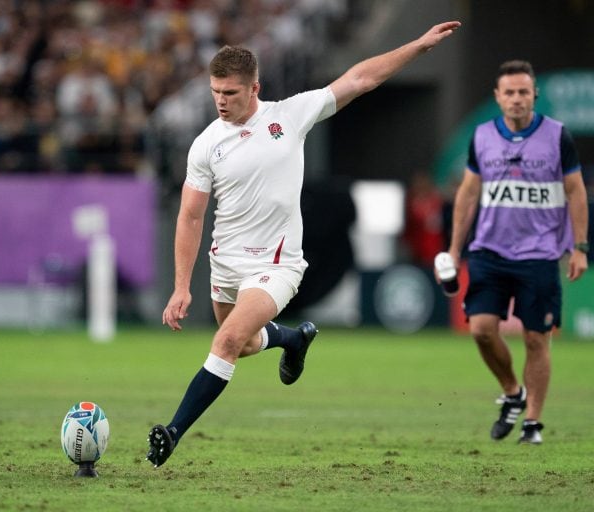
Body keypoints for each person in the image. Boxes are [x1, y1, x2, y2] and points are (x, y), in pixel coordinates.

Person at [147, 20, 461, 467]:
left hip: (277, 265)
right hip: (226, 265)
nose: (221, 101)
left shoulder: (288, 116)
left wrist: (417, 45)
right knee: (247, 342)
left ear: (255, 87)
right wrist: (182, 285)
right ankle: (293, 340)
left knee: (228, 342)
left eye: (231, 93)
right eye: (216, 91)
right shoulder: (204, 145)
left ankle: (172, 433)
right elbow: (190, 215)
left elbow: (359, 79)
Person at [444, 60, 589, 444]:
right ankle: (512, 392)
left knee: (536, 338)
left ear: (534, 95)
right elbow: (469, 192)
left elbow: (575, 191)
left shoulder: (557, 136)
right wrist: (455, 249)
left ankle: (533, 423)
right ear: (498, 97)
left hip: (540, 255)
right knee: (481, 331)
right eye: (509, 92)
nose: (516, 99)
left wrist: (580, 247)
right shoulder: (482, 136)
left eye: (523, 92)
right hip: (489, 251)